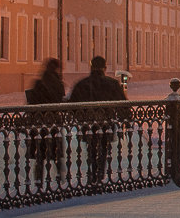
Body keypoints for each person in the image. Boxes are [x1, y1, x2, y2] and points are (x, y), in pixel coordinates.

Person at [67, 56, 128, 185]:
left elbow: (72, 105)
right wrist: (125, 118)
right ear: (105, 68)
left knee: (91, 149)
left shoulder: (82, 84)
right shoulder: (112, 84)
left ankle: (93, 174)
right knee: (103, 149)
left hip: (88, 124)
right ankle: (99, 174)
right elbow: (123, 104)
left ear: (91, 66)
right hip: (106, 123)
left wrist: (81, 118)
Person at [25, 58, 65, 182]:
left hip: (39, 124)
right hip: (53, 123)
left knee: (39, 156)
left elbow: (32, 102)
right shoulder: (58, 83)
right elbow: (59, 101)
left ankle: (38, 180)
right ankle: (60, 179)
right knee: (56, 154)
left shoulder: (39, 82)